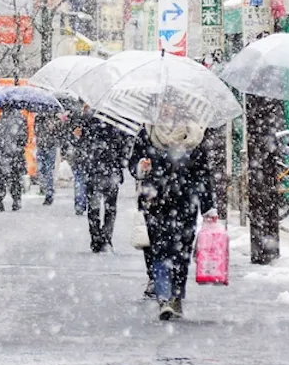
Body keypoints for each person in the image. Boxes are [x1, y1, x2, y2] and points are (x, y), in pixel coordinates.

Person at [130, 120, 216, 321]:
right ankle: (164, 298)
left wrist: (208, 207)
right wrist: (141, 167)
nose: (168, 110)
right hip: (155, 201)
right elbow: (133, 164)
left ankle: (176, 296)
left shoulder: (194, 136)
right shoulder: (148, 132)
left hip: (186, 202)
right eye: (165, 106)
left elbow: (203, 174)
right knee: (159, 249)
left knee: (181, 252)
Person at [81, 111, 129, 252]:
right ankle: (105, 238)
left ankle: (97, 238)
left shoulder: (91, 120)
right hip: (109, 170)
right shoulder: (118, 122)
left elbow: (83, 144)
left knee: (95, 207)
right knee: (109, 208)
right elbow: (124, 148)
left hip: (96, 170)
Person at [0, 108, 28, 211]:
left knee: (1, 179)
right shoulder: (20, 120)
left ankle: (0, 199)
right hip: (15, 155)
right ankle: (16, 200)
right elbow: (24, 139)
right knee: (15, 179)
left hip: (2, 155)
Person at [34, 113, 64, 206]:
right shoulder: (38, 118)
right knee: (41, 169)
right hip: (41, 146)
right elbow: (36, 131)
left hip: (51, 147)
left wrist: (53, 126)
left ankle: (49, 194)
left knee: (49, 171)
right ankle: (45, 187)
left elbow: (59, 133)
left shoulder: (55, 118)